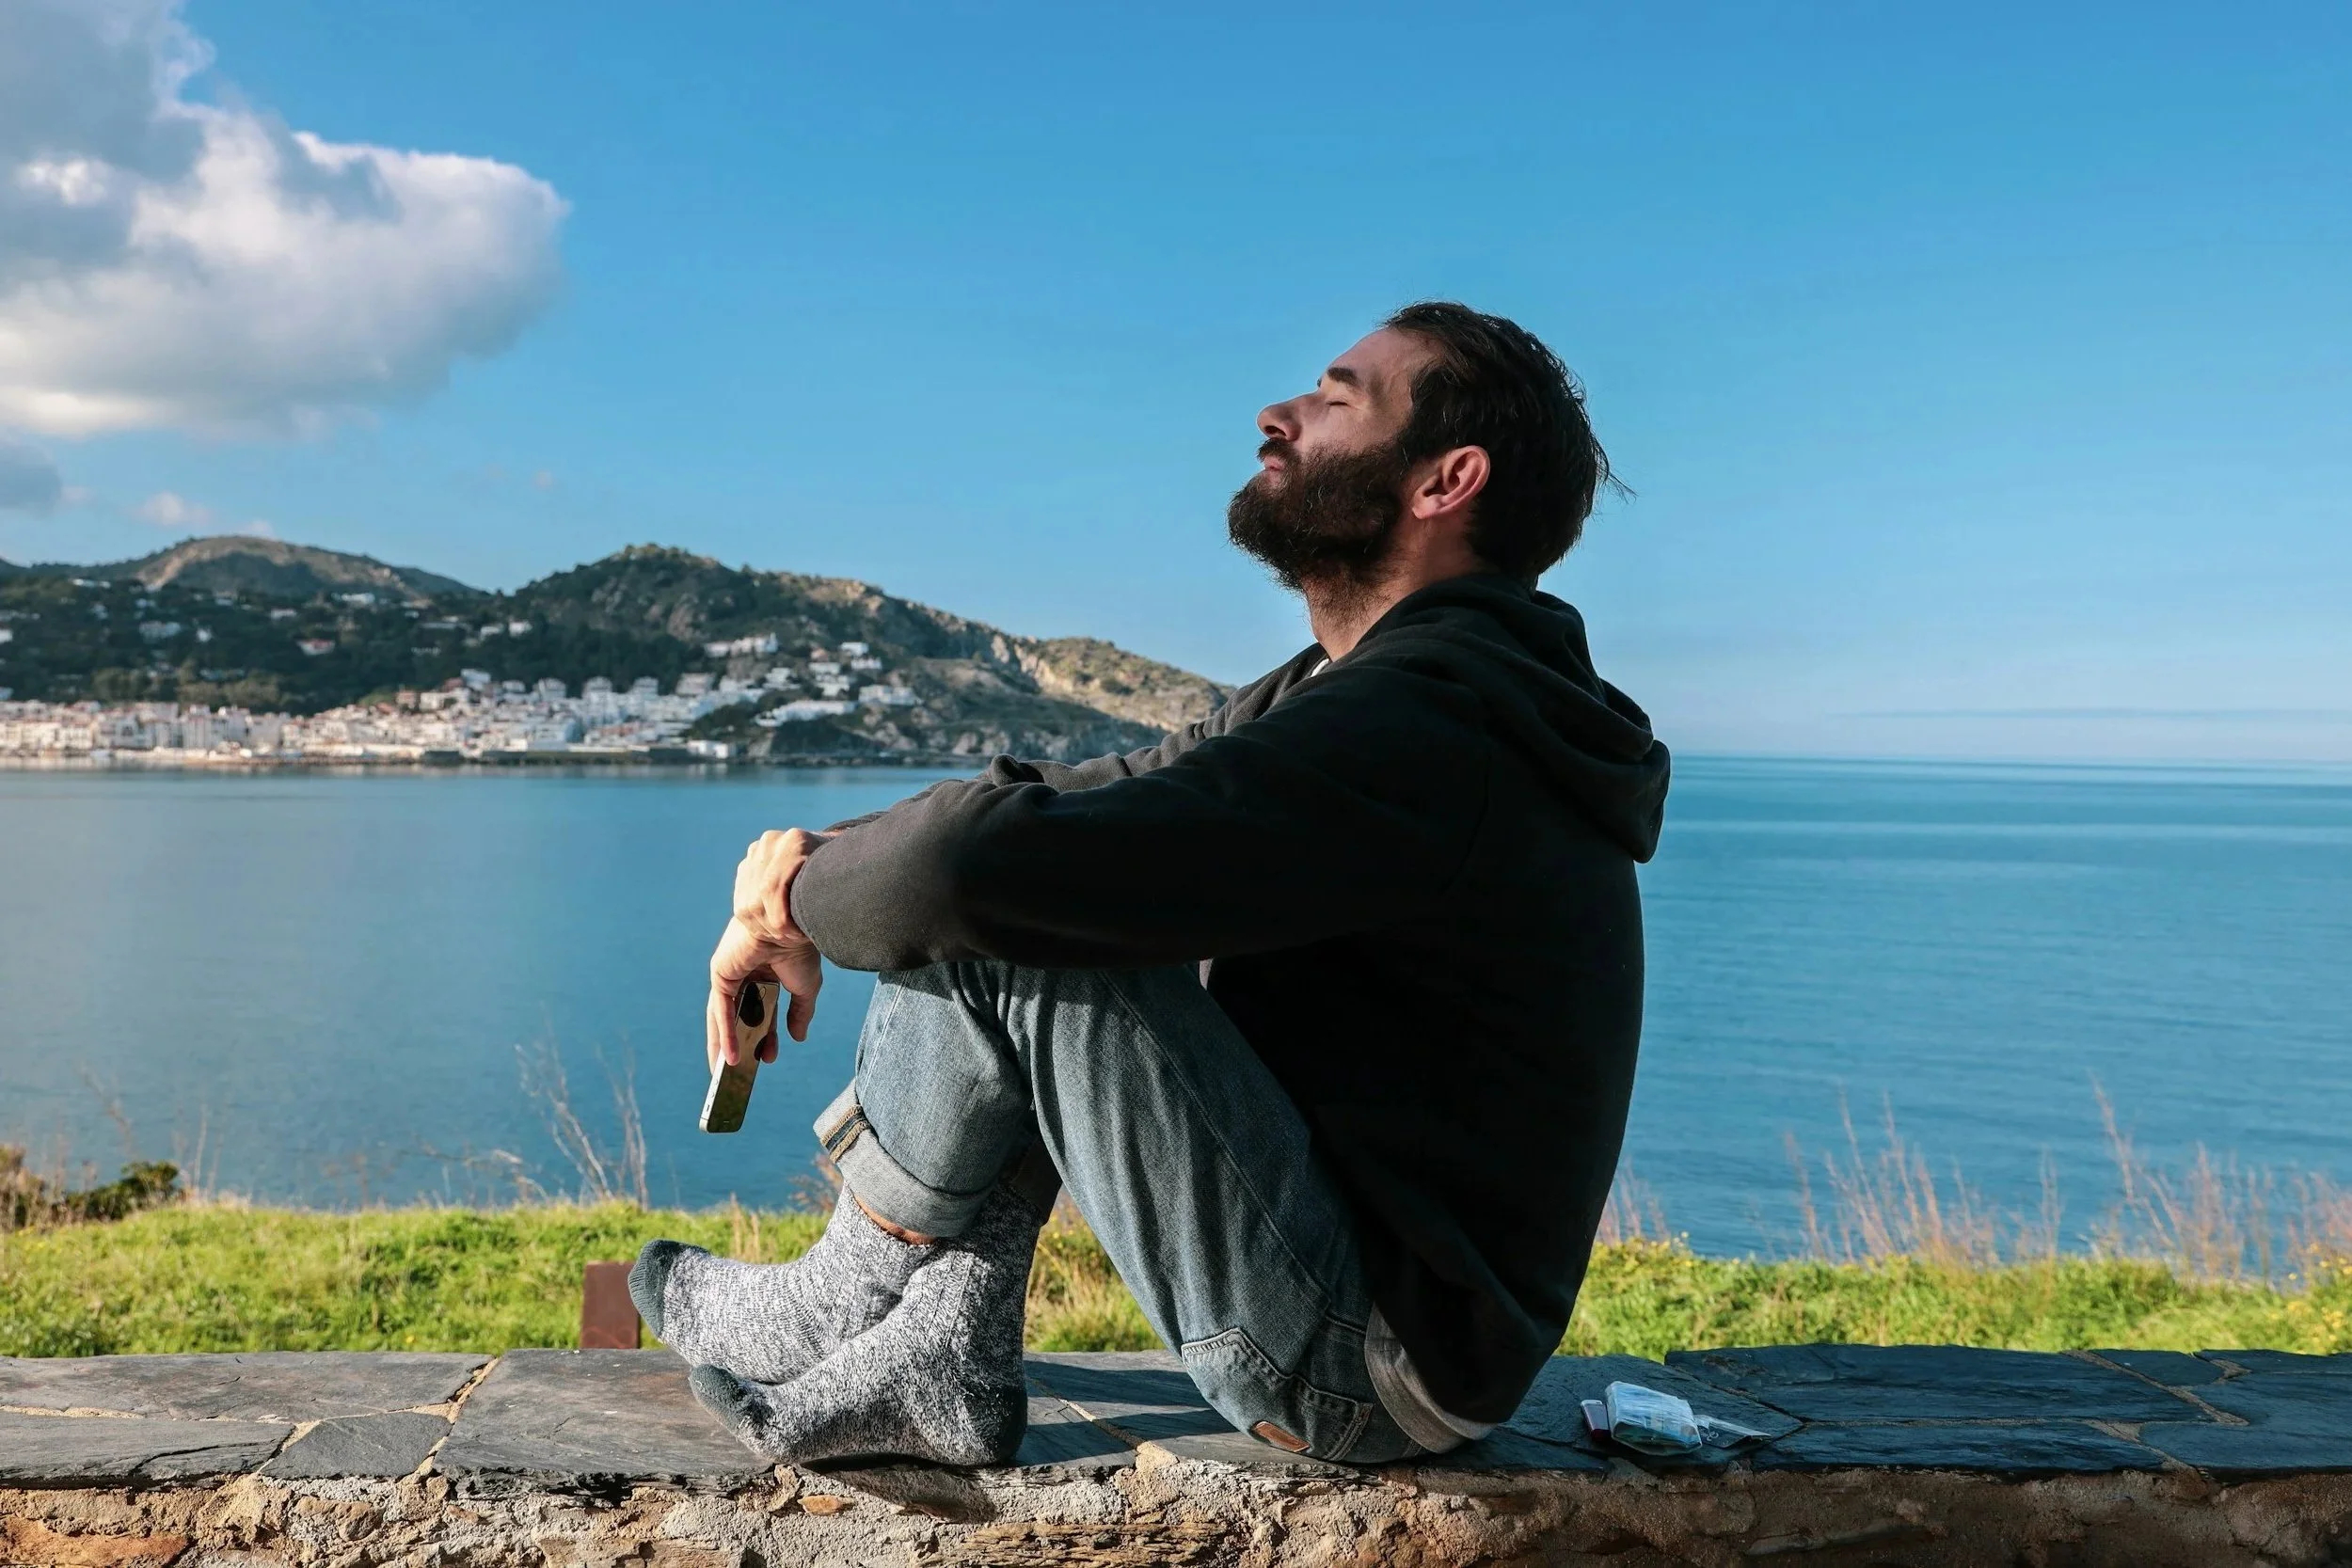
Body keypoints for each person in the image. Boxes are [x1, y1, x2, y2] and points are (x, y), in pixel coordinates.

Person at [630, 301, 1670, 1466]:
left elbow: (972, 868)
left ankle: (850, 1293)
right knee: (1044, 877)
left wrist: (789, 907)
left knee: (1013, 911)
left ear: (1445, 480)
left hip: (1365, 1360)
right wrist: (804, 865)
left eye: (1336, 398)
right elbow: (1079, 798)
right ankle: (934, 1339)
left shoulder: (1429, 725)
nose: (1276, 416)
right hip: (1369, 1305)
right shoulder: (1361, 693)